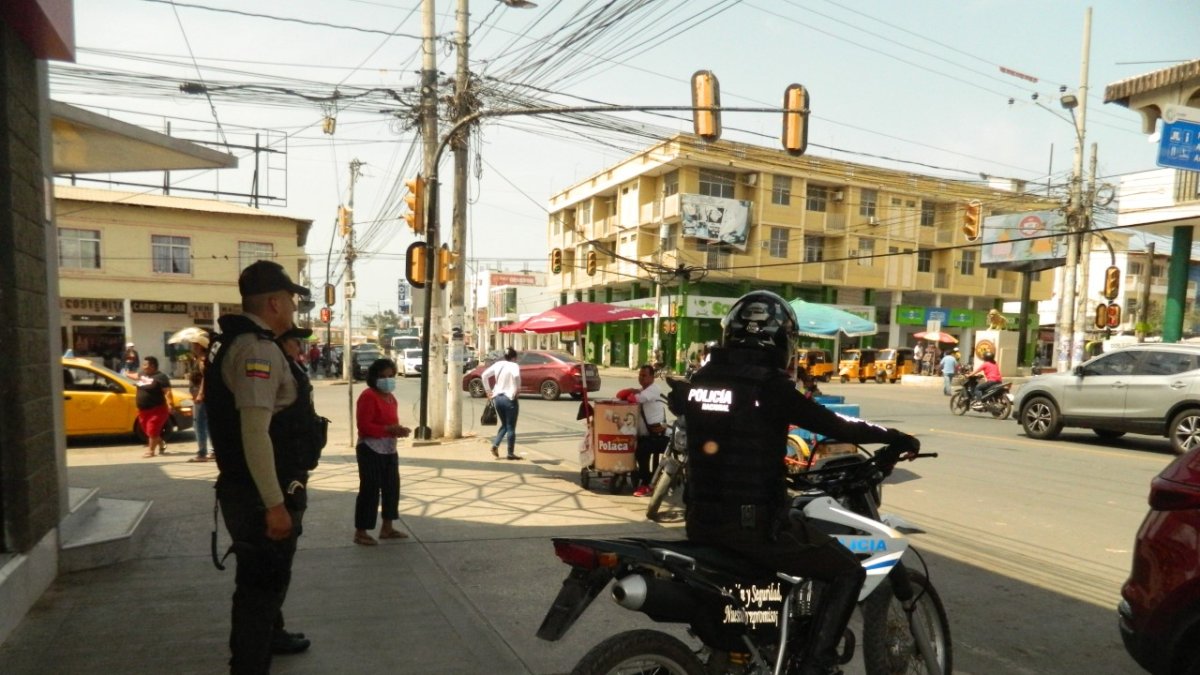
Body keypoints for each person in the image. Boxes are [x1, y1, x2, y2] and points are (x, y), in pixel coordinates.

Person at [679, 290, 920, 675]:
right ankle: (815, 664)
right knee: (848, 571)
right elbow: (835, 425)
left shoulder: (701, 381)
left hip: (701, 520)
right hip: (752, 527)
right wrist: (893, 436)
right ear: (781, 341)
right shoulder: (769, 387)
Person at [205, 260, 324, 673]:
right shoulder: (257, 349)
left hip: (254, 487)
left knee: (265, 582)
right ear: (274, 302)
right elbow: (254, 432)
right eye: (290, 300)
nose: (293, 308)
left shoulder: (238, 341)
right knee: (259, 590)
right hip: (260, 494)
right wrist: (274, 504)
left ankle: (271, 638)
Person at [354, 357, 412, 546]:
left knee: (391, 488)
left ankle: (387, 527)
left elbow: (389, 422)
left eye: (391, 376)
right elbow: (364, 426)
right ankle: (361, 531)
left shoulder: (390, 398)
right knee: (370, 490)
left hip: (388, 449)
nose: (388, 380)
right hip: (370, 449)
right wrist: (389, 430)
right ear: (374, 377)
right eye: (383, 376)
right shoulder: (368, 396)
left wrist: (398, 430)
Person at [619, 364, 668, 498]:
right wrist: (632, 389)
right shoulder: (642, 390)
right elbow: (619, 396)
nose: (641, 378)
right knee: (626, 443)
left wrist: (632, 391)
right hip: (647, 435)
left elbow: (632, 399)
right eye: (640, 375)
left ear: (652, 377)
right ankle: (625, 475)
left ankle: (647, 484)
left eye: (644, 375)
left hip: (659, 437)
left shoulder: (653, 390)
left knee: (642, 450)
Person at [482, 347, 521, 460]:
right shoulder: (514, 366)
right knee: (511, 427)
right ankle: (510, 453)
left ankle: (495, 445)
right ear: (514, 357)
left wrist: (488, 391)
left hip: (497, 398)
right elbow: (516, 376)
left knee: (505, 425)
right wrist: (517, 389)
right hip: (509, 398)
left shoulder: (498, 364)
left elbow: (484, 376)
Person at [131, 356, 172, 458]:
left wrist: (170, 404)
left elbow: (167, 392)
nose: (143, 367)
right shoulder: (142, 374)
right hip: (143, 410)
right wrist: (126, 373)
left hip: (157, 409)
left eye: (145, 365)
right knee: (148, 431)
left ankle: (151, 451)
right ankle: (161, 442)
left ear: (152, 366)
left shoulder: (161, 377)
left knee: (152, 429)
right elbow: (136, 376)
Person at [188, 333, 212, 462]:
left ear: (199, 346)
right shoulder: (199, 359)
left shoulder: (202, 360)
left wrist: (200, 393)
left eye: (194, 344)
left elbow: (205, 377)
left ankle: (202, 453)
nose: (192, 347)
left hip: (200, 397)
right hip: (200, 395)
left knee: (199, 424)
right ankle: (212, 451)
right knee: (207, 424)